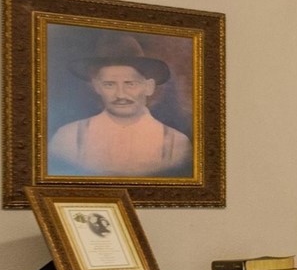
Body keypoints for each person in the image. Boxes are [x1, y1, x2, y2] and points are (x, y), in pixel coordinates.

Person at [47, 32, 192, 177]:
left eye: (130, 84)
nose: (120, 94)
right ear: (96, 87)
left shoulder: (176, 144)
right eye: (109, 84)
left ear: (149, 87)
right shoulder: (68, 138)